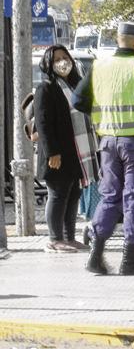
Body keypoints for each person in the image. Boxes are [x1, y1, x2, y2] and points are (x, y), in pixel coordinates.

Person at [73, 21, 134, 276]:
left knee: (110, 197)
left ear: (118, 39)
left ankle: (95, 256)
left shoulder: (99, 66)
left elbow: (78, 100)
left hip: (107, 143)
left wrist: (102, 113)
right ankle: (130, 259)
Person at [33, 46, 98, 253]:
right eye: (56, 60)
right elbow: (43, 124)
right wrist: (52, 153)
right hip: (57, 154)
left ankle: (69, 238)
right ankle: (54, 239)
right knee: (58, 194)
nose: (62, 62)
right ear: (49, 65)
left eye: (65, 58)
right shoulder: (47, 87)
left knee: (73, 194)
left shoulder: (76, 85)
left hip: (76, 153)